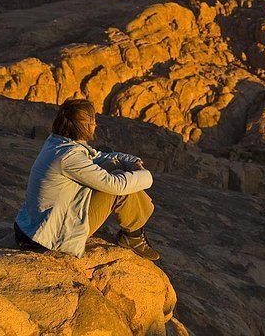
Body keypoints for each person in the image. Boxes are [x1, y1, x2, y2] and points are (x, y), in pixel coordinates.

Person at [14, 98, 160, 261]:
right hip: (46, 240)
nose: (95, 125)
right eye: (93, 121)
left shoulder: (58, 142)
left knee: (112, 165)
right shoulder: (69, 157)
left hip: (30, 228)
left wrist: (133, 162)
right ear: (85, 125)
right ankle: (133, 235)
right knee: (119, 189)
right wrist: (146, 175)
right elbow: (115, 185)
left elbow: (97, 156)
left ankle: (135, 230)